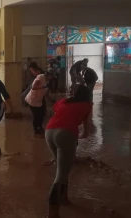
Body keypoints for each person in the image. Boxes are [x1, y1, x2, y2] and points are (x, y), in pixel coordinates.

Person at [45, 85, 93, 218]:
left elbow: (56, 114)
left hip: (49, 132)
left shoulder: (63, 101)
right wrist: (78, 136)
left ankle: (64, 199)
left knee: (62, 169)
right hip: (66, 135)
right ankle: (52, 214)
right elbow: (85, 130)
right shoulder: (87, 105)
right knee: (60, 174)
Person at [25, 69, 55, 136]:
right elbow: (33, 87)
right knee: (36, 115)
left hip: (39, 100)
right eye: (51, 76)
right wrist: (43, 86)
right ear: (48, 74)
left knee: (42, 114)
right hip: (32, 99)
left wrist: (52, 100)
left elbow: (46, 93)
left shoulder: (49, 82)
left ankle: (40, 127)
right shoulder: (41, 77)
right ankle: (35, 130)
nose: (52, 78)